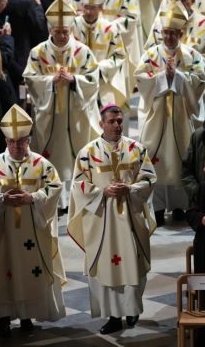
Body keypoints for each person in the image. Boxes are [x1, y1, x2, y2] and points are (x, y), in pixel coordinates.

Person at [0, 104, 66, 337]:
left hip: (31, 234)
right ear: (6, 141)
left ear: (29, 139)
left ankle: (26, 317)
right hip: (2, 233)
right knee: (2, 272)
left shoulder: (41, 165)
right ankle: (3, 319)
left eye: (22, 141)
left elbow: (55, 189)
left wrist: (31, 198)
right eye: (12, 142)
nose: (17, 146)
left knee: (28, 272)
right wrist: (0, 199)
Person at [67, 104, 156, 334]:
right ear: (102, 124)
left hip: (131, 221)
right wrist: (102, 192)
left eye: (120, 121)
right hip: (102, 221)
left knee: (133, 265)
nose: (117, 125)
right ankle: (114, 316)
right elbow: (78, 184)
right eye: (112, 121)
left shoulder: (137, 149)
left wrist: (130, 188)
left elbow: (149, 179)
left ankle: (132, 309)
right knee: (106, 267)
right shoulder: (87, 153)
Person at [23, 0, 100, 211]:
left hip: (75, 116)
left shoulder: (82, 52)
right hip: (50, 117)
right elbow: (30, 78)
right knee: (54, 156)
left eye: (66, 31)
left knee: (73, 157)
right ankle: (54, 200)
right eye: (58, 32)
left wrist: (75, 80)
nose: (63, 36)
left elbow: (94, 78)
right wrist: (50, 81)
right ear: (51, 30)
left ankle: (75, 200)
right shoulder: (38, 53)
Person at [135, 1, 205, 223]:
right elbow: (140, 79)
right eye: (165, 33)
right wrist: (162, 77)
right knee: (156, 159)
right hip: (156, 117)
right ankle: (157, 208)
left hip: (181, 117)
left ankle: (179, 206)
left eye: (173, 33)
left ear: (181, 33)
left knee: (180, 160)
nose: (168, 37)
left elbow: (200, 81)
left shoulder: (192, 55)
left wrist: (178, 76)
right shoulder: (150, 55)